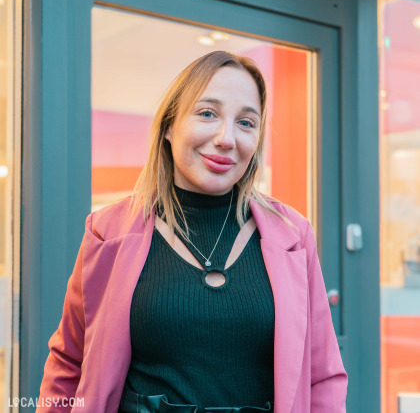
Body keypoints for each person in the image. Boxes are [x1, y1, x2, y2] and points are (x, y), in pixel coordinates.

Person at [37, 50, 348, 413]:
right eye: (207, 114)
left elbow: (323, 376)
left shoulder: (294, 236)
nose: (226, 138)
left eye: (246, 122)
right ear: (169, 126)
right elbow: (68, 362)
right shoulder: (108, 232)